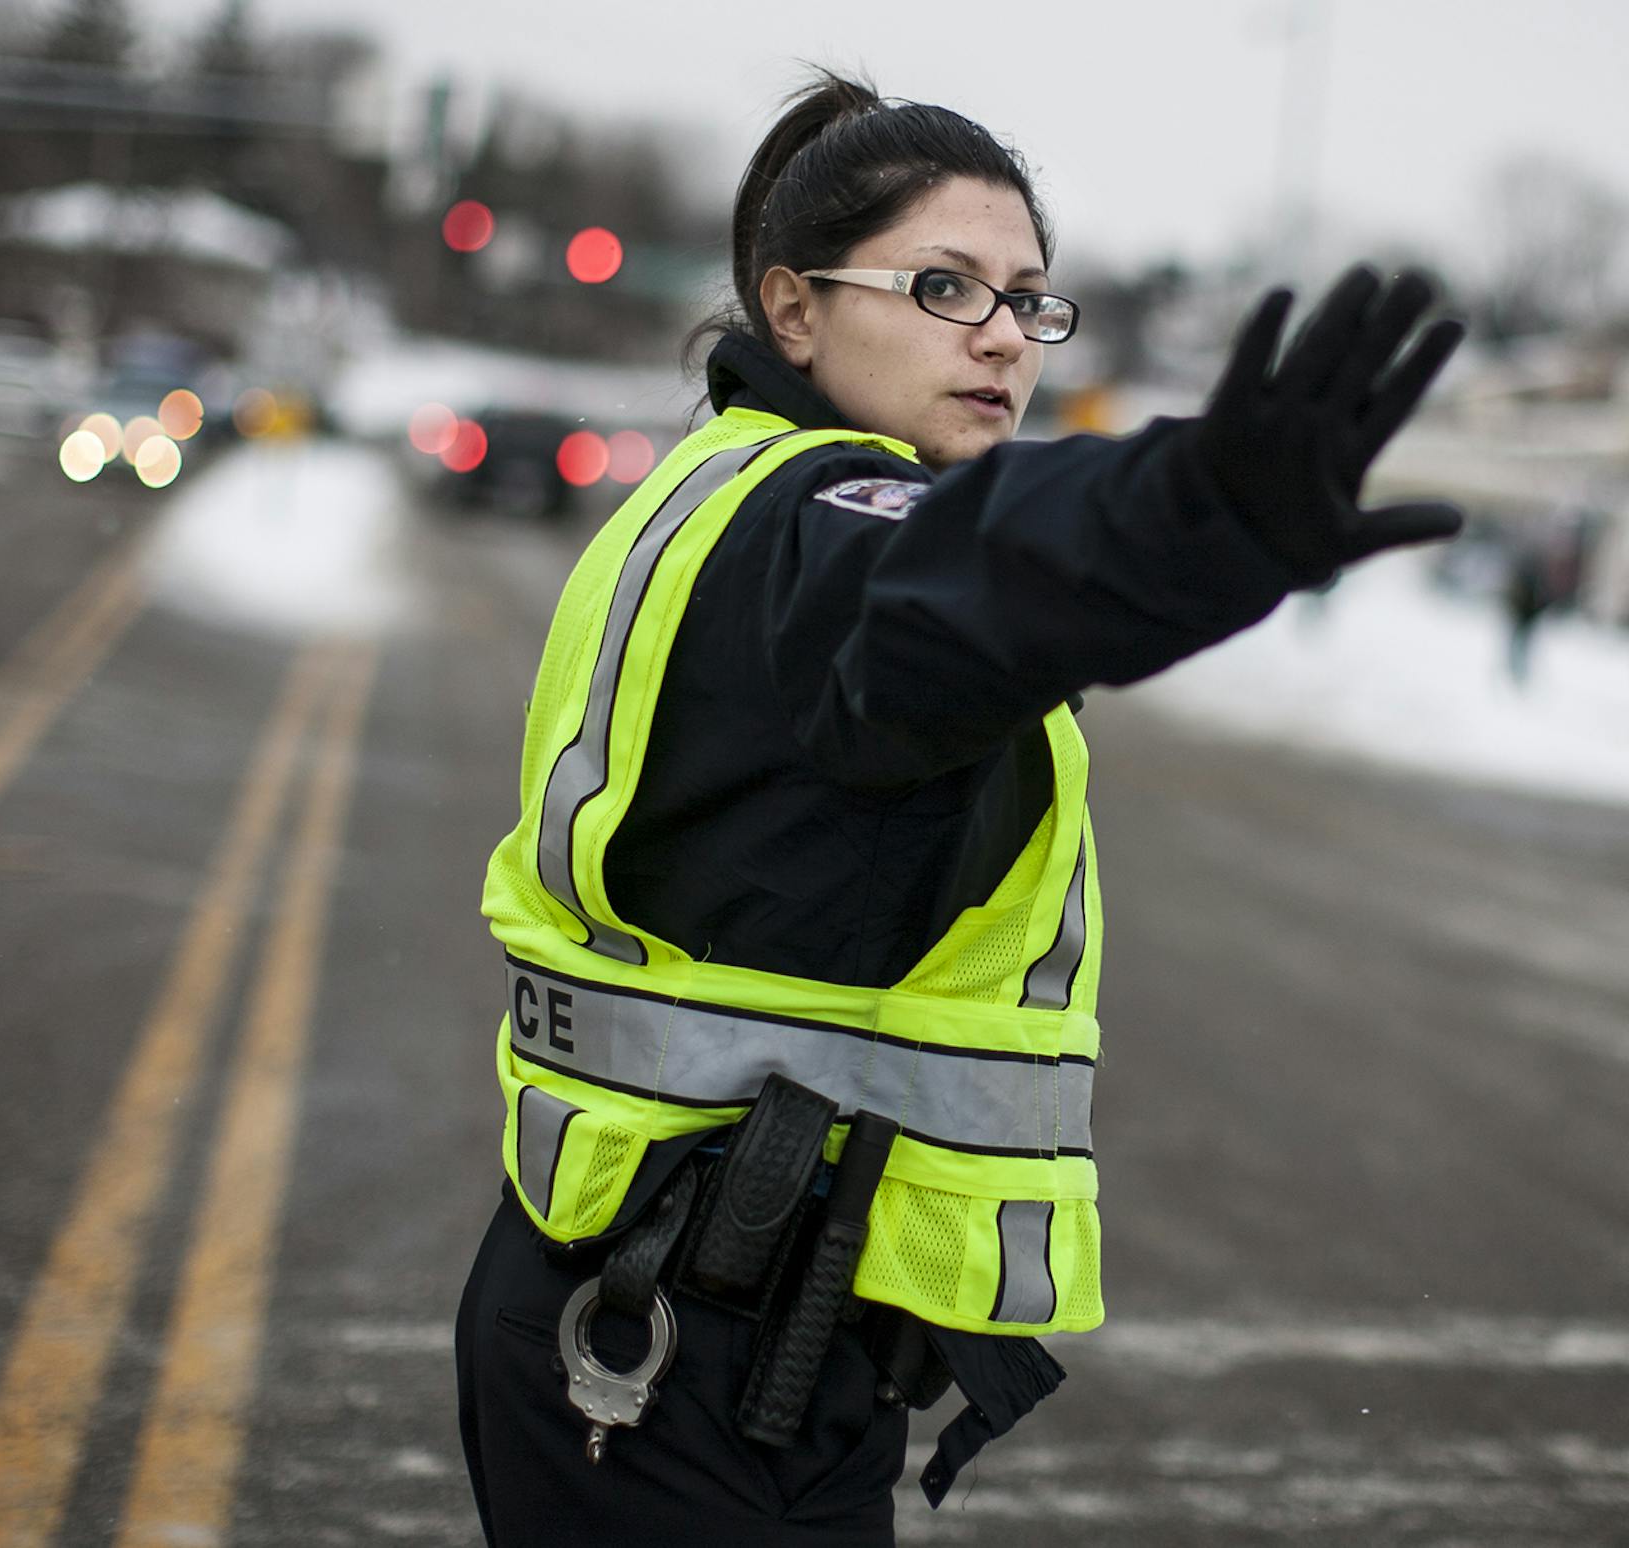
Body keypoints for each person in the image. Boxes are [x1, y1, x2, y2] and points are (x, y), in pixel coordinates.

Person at [454, 72, 1463, 1548]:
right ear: (793, 311)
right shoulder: (816, 523)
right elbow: (945, 595)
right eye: (943, 287)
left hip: (695, 1326)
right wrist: (1191, 514)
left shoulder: (725, 488)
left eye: (1030, 300)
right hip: (675, 1360)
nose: (1002, 332)